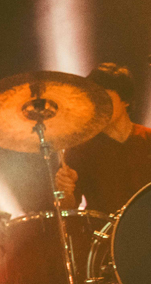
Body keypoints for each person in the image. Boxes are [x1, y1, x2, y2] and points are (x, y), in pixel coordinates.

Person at [56, 63, 151, 216]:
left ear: (125, 99)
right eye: (95, 99)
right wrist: (64, 191)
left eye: (106, 98)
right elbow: (67, 208)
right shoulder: (80, 148)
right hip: (105, 235)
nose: (100, 105)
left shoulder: (147, 139)